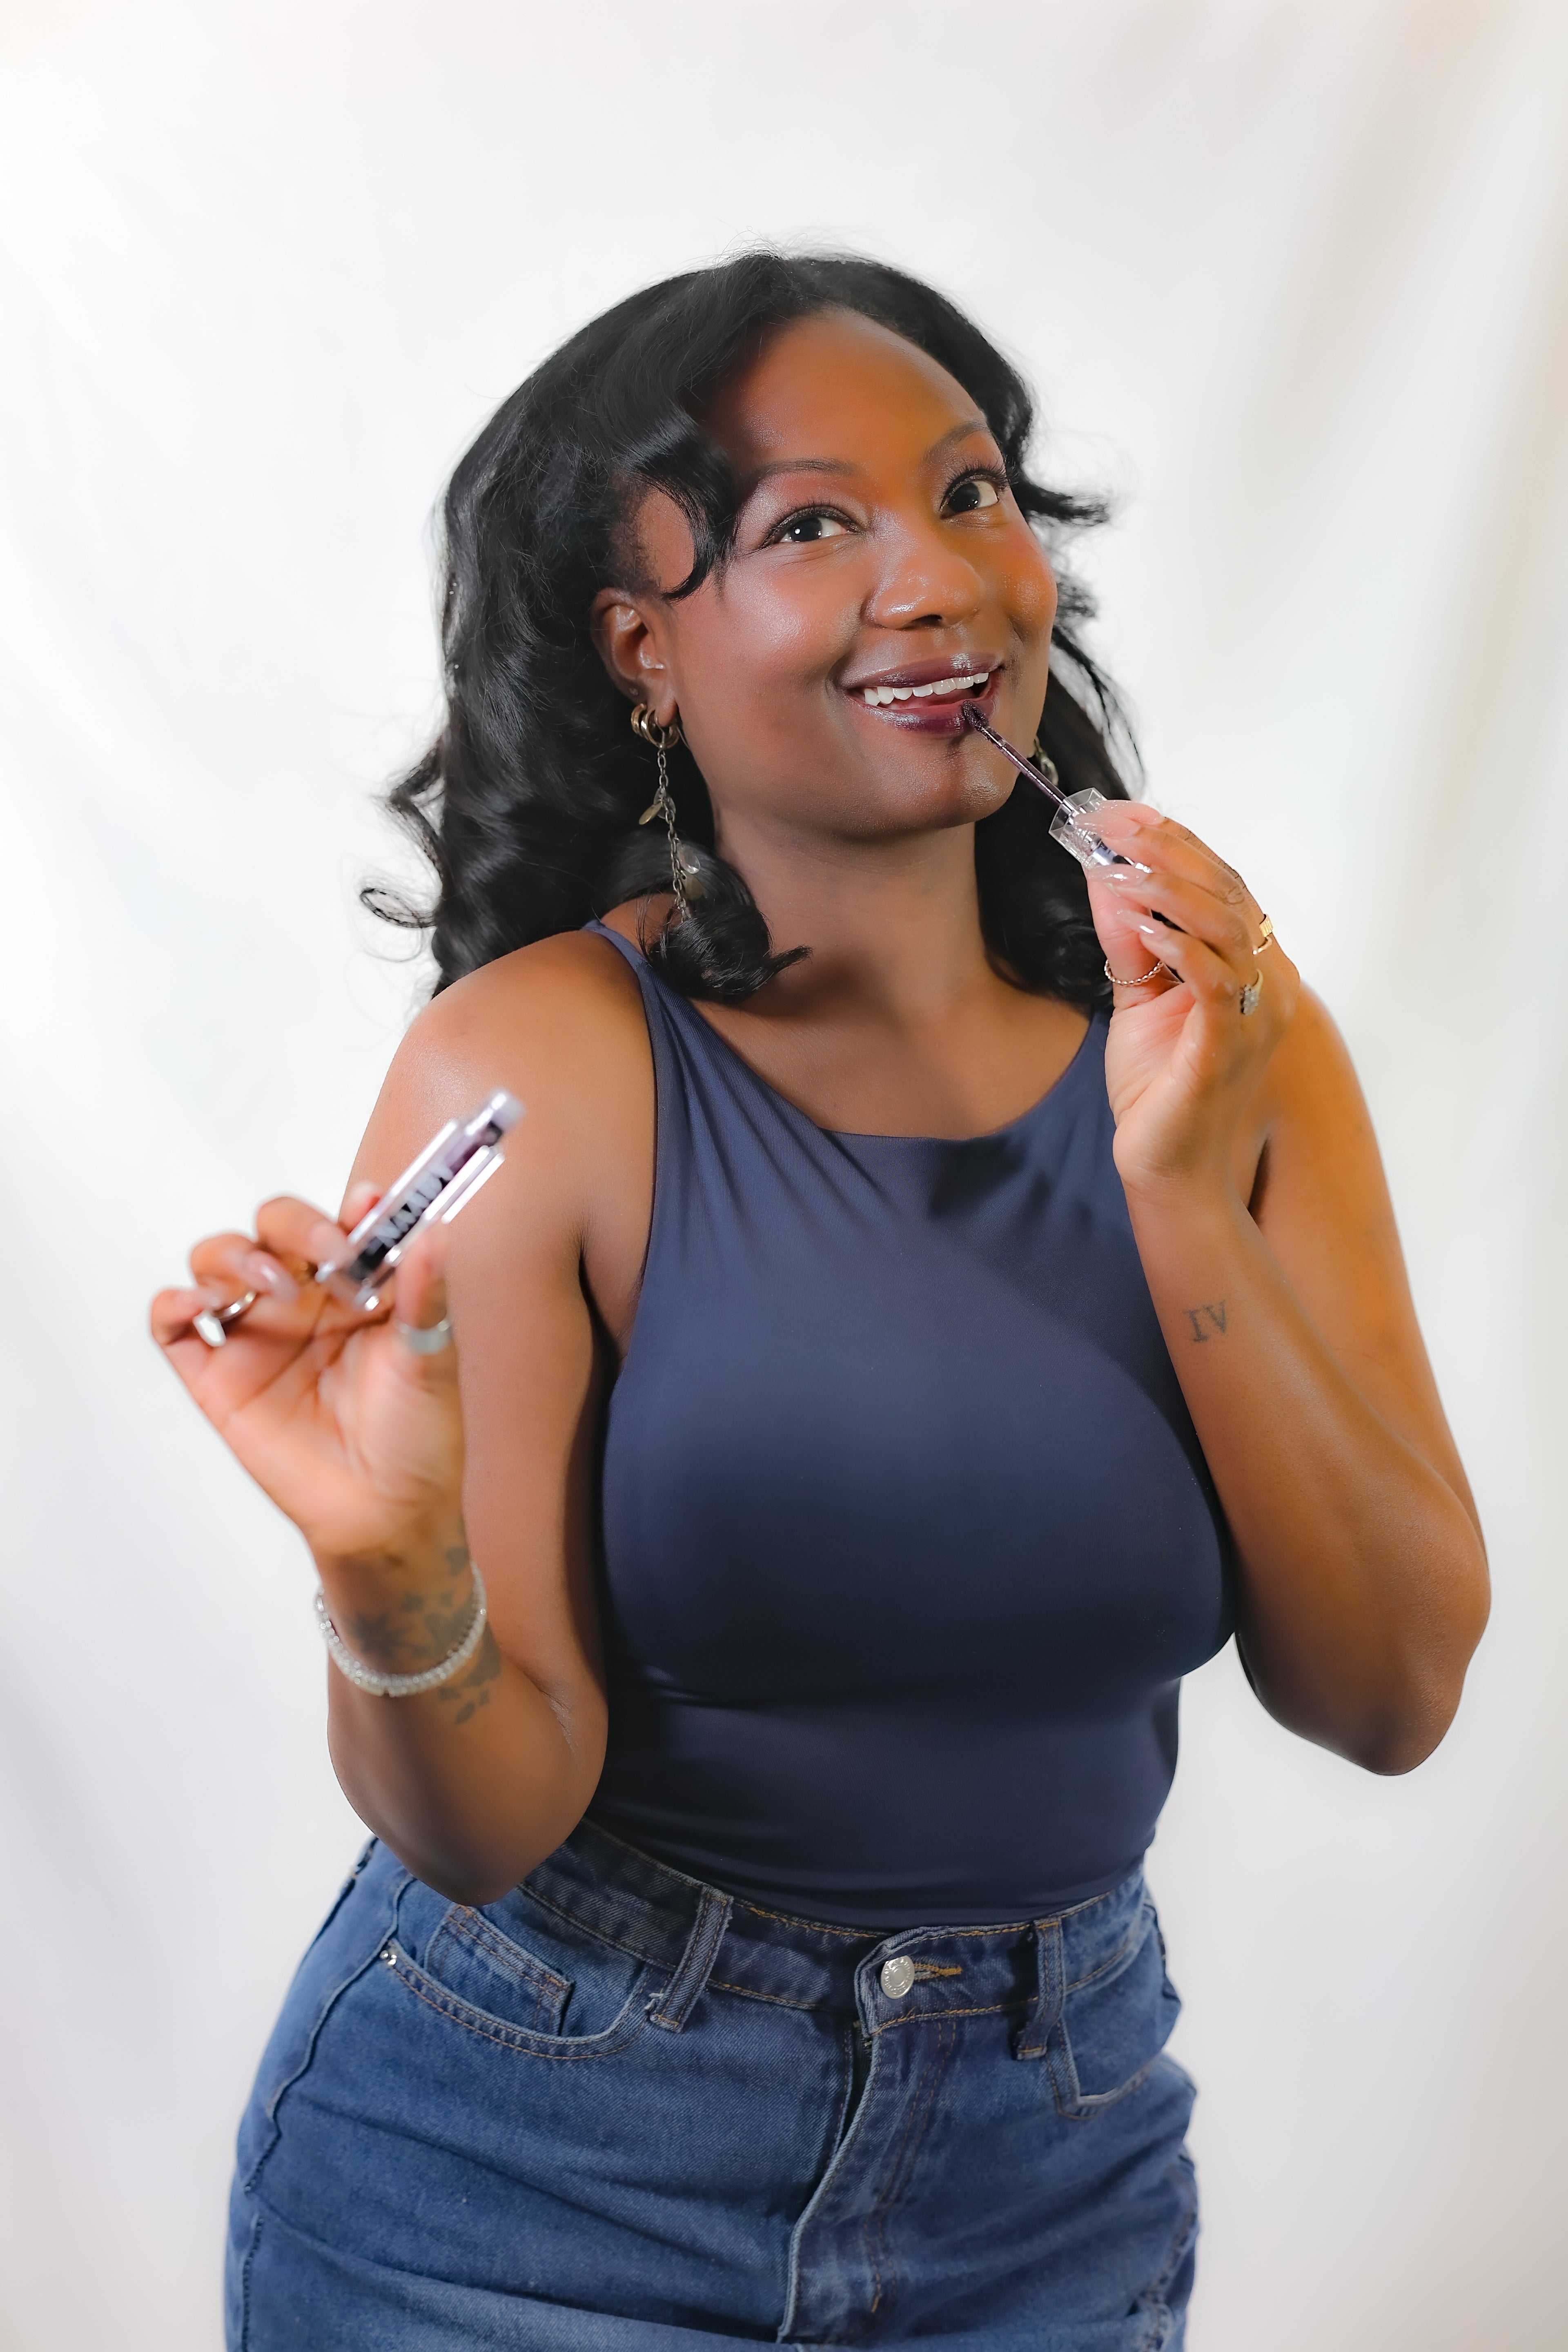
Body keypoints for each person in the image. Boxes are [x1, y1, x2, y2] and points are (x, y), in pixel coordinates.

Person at [151, 254, 1488, 2349]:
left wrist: (1184, 1205)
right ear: (642, 651)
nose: (938, 579)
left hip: (1050, 2180)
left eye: (970, 495)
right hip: (526, 2182)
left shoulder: (1225, 1042)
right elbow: (489, 1826)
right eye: (809, 527)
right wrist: (395, 1577)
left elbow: (1391, 1693)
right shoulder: (539, 1071)